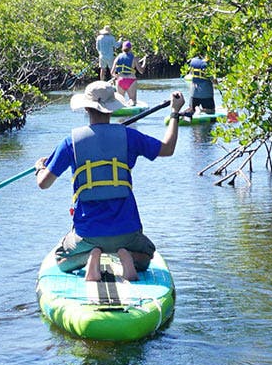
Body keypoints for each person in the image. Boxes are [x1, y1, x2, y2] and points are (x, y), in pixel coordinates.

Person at [36, 81, 186, 284]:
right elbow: (168, 149)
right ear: (112, 109)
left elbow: (43, 183)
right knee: (148, 256)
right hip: (127, 232)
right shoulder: (129, 136)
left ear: (87, 108)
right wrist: (175, 112)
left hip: (87, 234)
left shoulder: (70, 142)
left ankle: (91, 256)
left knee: (61, 259)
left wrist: (40, 167)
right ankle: (128, 256)